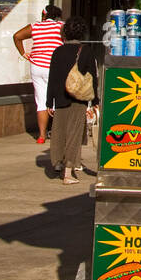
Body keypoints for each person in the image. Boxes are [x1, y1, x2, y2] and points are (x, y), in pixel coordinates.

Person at [46, 16, 101, 184]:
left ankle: (57, 163)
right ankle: (68, 173)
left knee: (59, 133)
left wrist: (49, 102)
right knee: (74, 134)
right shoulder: (86, 51)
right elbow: (93, 77)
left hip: (60, 98)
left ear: (64, 33)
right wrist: (95, 100)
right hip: (78, 99)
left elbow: (52, 78)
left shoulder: (57, 51)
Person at [13, 4, 64, 144]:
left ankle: (41, 136)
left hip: (36, 67)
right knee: (57, 99)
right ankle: (57, 133)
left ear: (44, 15)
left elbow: (17, 36)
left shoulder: (35, 26)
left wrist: (23, 53)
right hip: (53, 67)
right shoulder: (60, 26)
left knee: (41, 101)